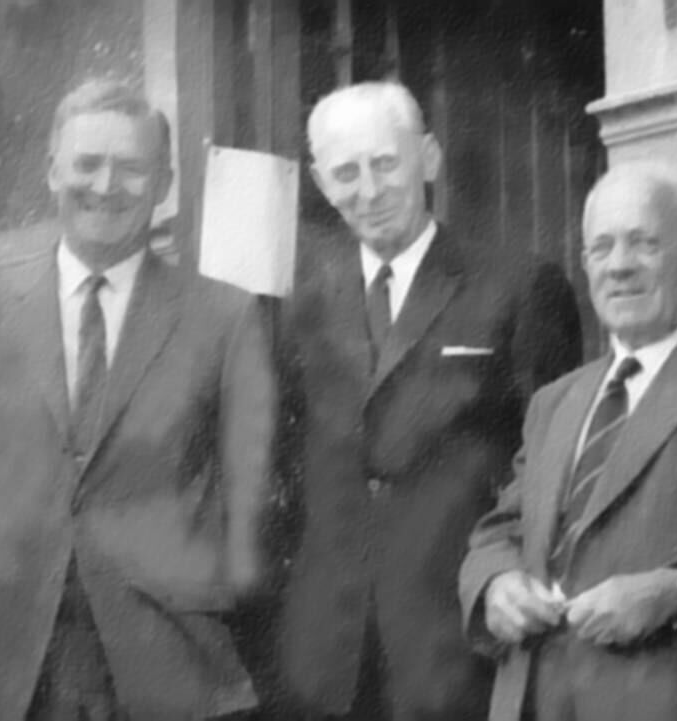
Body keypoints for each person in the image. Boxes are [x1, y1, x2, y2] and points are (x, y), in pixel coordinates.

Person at [277, 81, 582, 721]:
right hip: (323, 657)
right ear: (320, 183)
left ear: (430, 158)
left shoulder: (520, 285)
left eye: (386, 163)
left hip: (456, 642)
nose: (369, 189)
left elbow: (556, 467)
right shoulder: (292, 305)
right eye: (346, 172)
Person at [0, 80, 276, 720]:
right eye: (87, 163)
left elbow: (254, 493)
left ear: (164, 181)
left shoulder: (223, 315)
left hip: (165, 660)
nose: (107, 185)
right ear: (52, 169)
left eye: (132, 168)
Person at [458, 161, 677, 721]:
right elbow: (504, 527)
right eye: (601, 249)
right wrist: (494, 585)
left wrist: (676, 591)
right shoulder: (557, 400)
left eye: (644, 243)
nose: (619, 266)